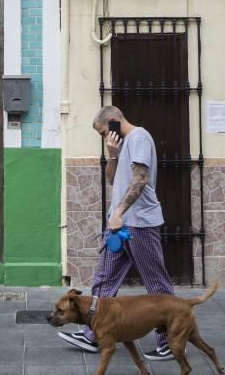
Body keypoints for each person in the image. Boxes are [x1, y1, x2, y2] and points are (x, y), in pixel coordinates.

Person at [57, 105, 176, 362]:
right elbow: (113, 181)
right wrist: (112, 155)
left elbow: (141, 179)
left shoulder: (140, 137)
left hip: (140, 224)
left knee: (156, 283)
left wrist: (119, 211)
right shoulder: (122, 145)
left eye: (103, 132)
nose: (103, 137)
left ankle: (171, 341)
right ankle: (92, 334)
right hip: (120, 226)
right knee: (104, 279)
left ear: (112, 122)